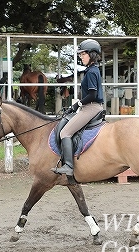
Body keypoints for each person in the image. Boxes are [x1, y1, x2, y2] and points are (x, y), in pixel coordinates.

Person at [51, 39, 104, 184]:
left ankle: (68, 166)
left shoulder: (92, 72)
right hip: (89, 106)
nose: (81, 57)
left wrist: (77, 104)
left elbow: (92, 95)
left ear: (92, 54)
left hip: (91, 107)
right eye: (80, 54)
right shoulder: (91, 70)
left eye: (83, 54)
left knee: (65, 132)